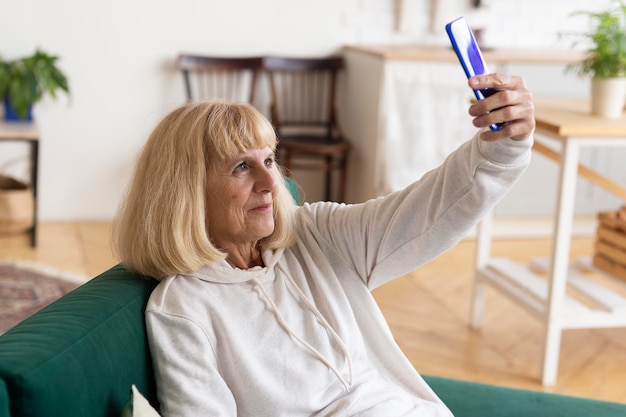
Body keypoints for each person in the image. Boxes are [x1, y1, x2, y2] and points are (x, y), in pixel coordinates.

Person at [113, 73, 535, 416]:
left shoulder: (316, 234)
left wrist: (502, 147)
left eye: (269, 160)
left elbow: (428, 210)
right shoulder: (182, 310)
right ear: (187, 192)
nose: (269, 183)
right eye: (242, 167)